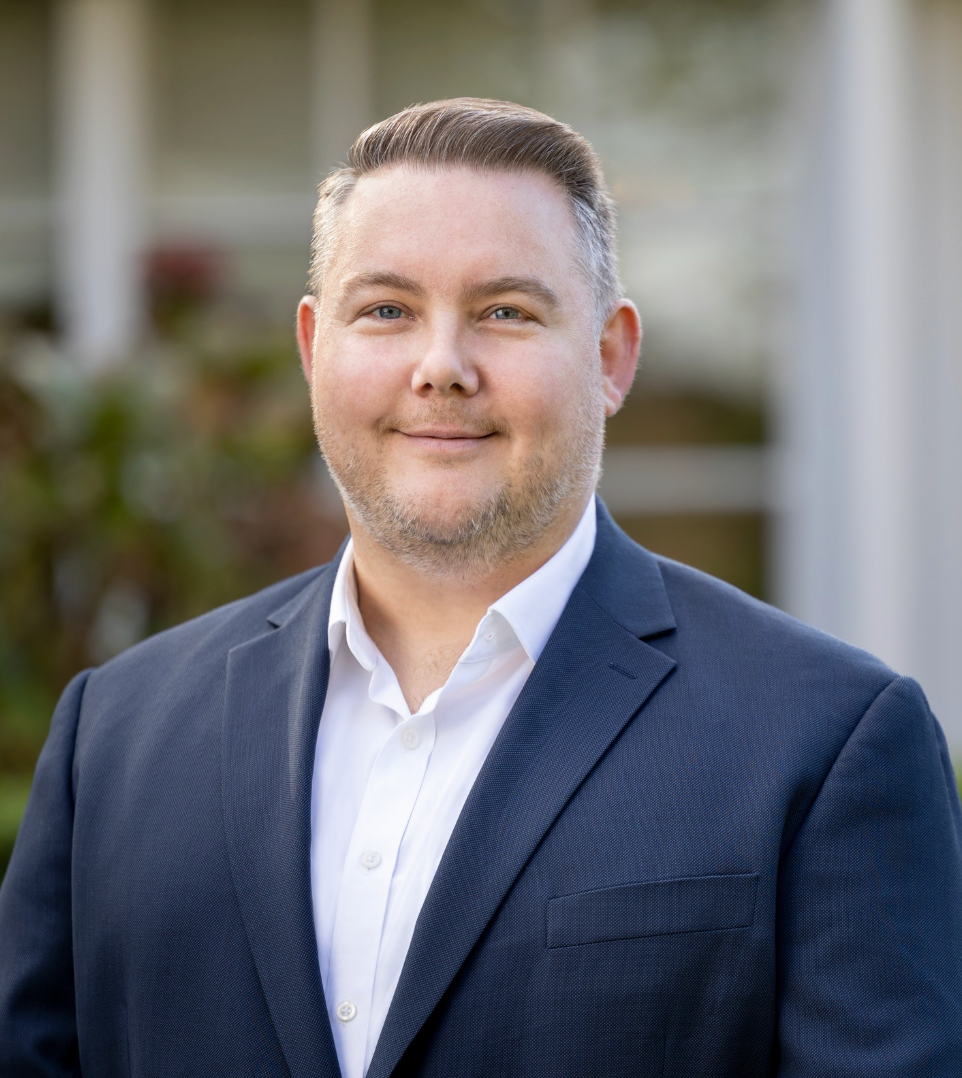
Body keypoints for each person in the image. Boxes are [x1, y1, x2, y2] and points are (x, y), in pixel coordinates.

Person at [1, 98, 960, 1078]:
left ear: (610, 356)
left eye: (505, 312)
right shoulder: (112, 738)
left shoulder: (827, 741)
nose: (441, 368)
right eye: (386, 310)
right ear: (313, 349)